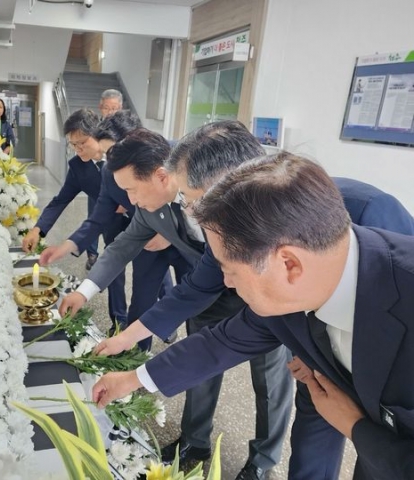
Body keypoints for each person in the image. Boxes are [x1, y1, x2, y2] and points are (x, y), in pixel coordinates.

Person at [90, 120, 414, 479]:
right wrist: (134, 377)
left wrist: (355, 426)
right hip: (327, 372)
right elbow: (223, 341)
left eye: (229, 269)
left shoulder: (368, 226)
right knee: (314, 438)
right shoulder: (277, 283)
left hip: (388, 393)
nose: (225, 281)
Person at [59, 124, 293, 479]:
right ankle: (194, 442)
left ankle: (262, 461)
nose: (130, 201)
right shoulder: (156, 207)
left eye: (132, 190)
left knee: (270, 383)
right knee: (199, 366)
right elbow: (133, 253)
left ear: (162, 176)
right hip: (203, 294)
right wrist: (98, 306)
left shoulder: (247, 203)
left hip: (266, 297)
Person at [39, 123, 175, 339]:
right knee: (140, 300)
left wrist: (167, 231)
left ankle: (166, 325)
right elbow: (105, 228)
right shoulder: (109, 174)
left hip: (188, 249)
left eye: (82, 143)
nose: (106, 159)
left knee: (186, 303)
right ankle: (131, 347)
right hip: (138, 233)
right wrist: (82, 289)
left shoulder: (185, 178)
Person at [21, 109, 127, 326]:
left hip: (141, 222)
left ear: (97, 135)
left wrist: (128, 203)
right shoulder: (78, 168)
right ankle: (119, 323)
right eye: (73, 144)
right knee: (114, 273)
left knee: (155, 275)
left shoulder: (122, 155)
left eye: (82, 143)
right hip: (108, 224)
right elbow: (60, 200)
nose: (78, 149)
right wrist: (37, 229)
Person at [84, 89, 126, 270]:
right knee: (94, 217)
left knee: (113, 224)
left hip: (117, 185)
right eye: (107, 108)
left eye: (114, 108)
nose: (110, 112)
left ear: (121, 108)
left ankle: (111, 255)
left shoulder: (126, 131)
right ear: (100, 107)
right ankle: (92, 254)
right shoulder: (93, 130)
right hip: (96, 180)